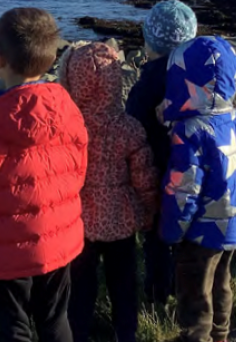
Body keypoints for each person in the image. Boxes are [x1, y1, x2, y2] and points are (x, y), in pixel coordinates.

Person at [0, 8, 88, 342]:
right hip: (59, 237)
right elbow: (78, 169)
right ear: (52, 58)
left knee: (14, 326)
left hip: (6, 246)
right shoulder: (67, 108)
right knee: (55, 320)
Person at [59, 43, 159, 342]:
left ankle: (78, 332)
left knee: (80, 285)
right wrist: (150, 209)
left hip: (78, 222)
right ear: (115, 81)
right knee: (124, 282)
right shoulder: (128, 127)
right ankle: (126, 333)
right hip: (121, 219)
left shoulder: (65, 129)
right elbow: (144, 177)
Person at [160, 36, 236, 342]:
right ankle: (221, 333)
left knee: (195, 288)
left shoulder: (188, 131)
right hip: (234, 217)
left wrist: (172, 229)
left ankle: (196, 336)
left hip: (201, 224)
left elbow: (183, 187)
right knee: (221, 281)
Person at [126, 0, 198, 305]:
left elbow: (133, 131)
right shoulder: (198, 80)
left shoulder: (146, 85)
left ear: (148, 40)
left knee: (157, 240)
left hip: (157, 172)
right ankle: (190, 292)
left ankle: (158, 296)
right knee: (188, 237)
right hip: (193, 172)